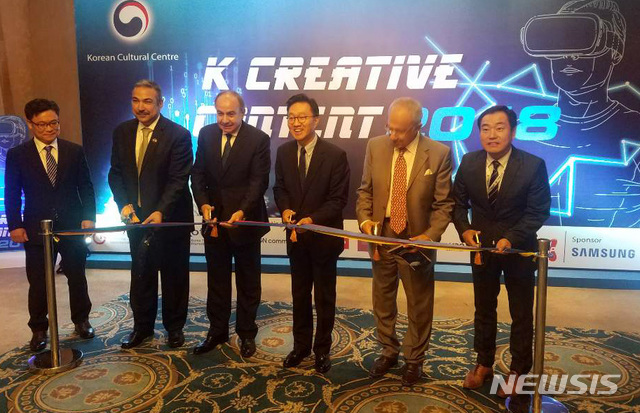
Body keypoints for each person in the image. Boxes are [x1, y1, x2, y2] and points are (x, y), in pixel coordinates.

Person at [453, 105, 550, 398]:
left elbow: (537, 212)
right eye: (485, 128)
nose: (492, 135)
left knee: (521, 313)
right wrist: (464, 229)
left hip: (519, 250)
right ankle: (484, 363)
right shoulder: (469, 162)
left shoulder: (532, 165)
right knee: (484, 308)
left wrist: (510, 238)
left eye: (499, 128)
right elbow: (458, 204)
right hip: (482, 250)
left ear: (513, 131)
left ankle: (519, 370)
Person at [356, 97, 453, 386]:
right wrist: (365, 221)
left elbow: (444, 205)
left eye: (400, 130)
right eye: (389, 128)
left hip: (416, 242)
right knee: (382, 300)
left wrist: (429, 237)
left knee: (419, 303)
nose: (393, 135)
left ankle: (414, 360)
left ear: (417, 127)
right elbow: (365, 192)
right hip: (382, 236)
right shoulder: (375, 146)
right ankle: (388, 351)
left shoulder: (439, 154)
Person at [5, 98, 96, 351]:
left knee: (77, 276)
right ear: (30, 124)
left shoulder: (74, 151)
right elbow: (12, 192)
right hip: (36, 227)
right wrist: (15, 224)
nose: (49, 128)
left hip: (72, 225)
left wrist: (89, 216)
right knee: (39, 282)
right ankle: (38, 329)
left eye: (54, 123)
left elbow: (86, 186)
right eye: (42, 124)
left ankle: (81, 320)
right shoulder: (18, 155)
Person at [108, 79, 193, 349]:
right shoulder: (122, 131)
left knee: (174, 276)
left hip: (171, 220)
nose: (141, 107)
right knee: (141, 275)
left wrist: (160, 211)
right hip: (137, 220)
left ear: (160, 103)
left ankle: (174, 328)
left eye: (147, 101)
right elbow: (115, 173)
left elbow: (178, 180)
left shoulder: (178, 134)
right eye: (136, 100)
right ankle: (142, 328)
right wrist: (123, 204)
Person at [273, 93, 350, 373]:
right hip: (296, 240)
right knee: (300, 295)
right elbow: (280, 188)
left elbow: (338, 200)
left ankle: (322, 350)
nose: (296, 123)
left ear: (315, 120)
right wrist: (285, 209)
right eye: (291, 118)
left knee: (324, 298)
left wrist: (312, 219)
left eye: (302, 117)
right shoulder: (283, 152)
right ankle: (301, 346)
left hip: (323, 239)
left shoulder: (335, 155)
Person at [191, 91, 270, 358]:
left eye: (231, 114)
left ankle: (247, 333)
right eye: (220, 113)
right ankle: (217, 330)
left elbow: (258, 182)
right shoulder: (206, 134)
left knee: (248, 282)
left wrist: (242, 211)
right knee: (217, 281)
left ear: (243, 112)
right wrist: (203, 204)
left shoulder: (258, 139)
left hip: (244, 223)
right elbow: (197, 173)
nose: (224, 119)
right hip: (213, 222)